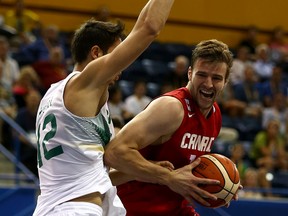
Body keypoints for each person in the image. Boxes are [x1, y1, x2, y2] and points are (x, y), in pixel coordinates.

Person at [33, 0, 175, 215]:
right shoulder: (86, 82)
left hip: (56, 206)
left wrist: (147, 169)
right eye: (117, 54)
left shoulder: (54, 94)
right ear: (96, 53)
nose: (122, 66)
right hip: (75, 209)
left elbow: (91, 175)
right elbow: (149, 28)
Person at [105, 39, 242, 216]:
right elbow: (114, 153)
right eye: (202, 75)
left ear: (225, 81)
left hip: (176, 208)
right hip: (134, 208)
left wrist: (223, 183)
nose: (208, 84)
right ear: (190, 73)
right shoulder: (172, 108)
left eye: (216, 78)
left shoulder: (215, 114)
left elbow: (188, 166)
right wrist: (167, 177)